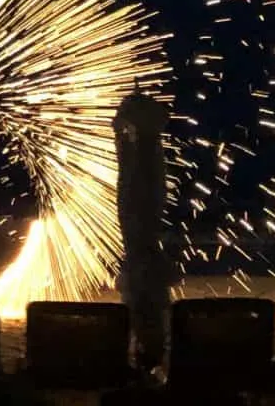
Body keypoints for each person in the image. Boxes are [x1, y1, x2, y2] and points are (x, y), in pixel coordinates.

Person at [113, 85, 171, 374]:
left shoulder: (142, 153)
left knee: (139, 256)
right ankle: (149, 348)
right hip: (141, 215)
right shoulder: (148, 150)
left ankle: (147, 347)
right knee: (141, 253)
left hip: (138, 212)